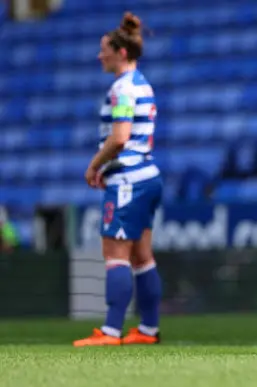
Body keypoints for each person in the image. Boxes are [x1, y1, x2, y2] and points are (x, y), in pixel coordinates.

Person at [74, 12, 163, 347]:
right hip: (147, 176)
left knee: (115, 253)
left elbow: (120, 137)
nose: (100, 56)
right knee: (142, 256)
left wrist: (94, 166)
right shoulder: (142, 83)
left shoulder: (123, 89)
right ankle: (148, 330)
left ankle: (111, 331)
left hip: (128, 179)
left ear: (121, 53)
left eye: (104, 49)